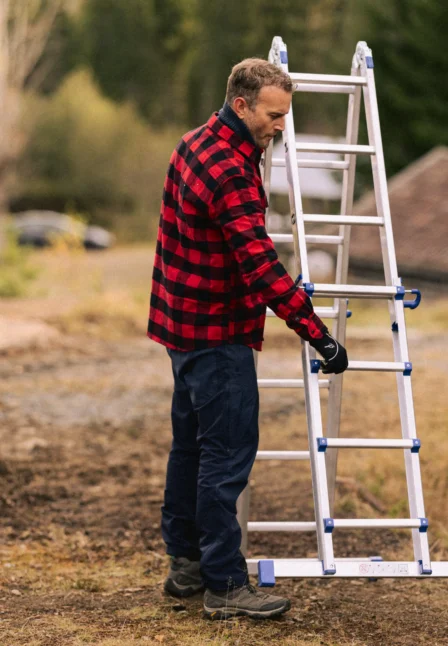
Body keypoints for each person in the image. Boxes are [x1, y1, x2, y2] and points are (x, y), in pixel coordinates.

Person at [147, 57, 349, 620]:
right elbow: (260, 267)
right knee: (226, 456)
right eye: (273, 114)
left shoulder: (192, 143)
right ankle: (225, 585)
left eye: (285, 114)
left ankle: (186, 564)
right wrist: (318, 334)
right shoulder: (232, 172)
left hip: (181, 328)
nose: (280, 125)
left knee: (190, 448)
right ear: (242, 105)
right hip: (216, 332)